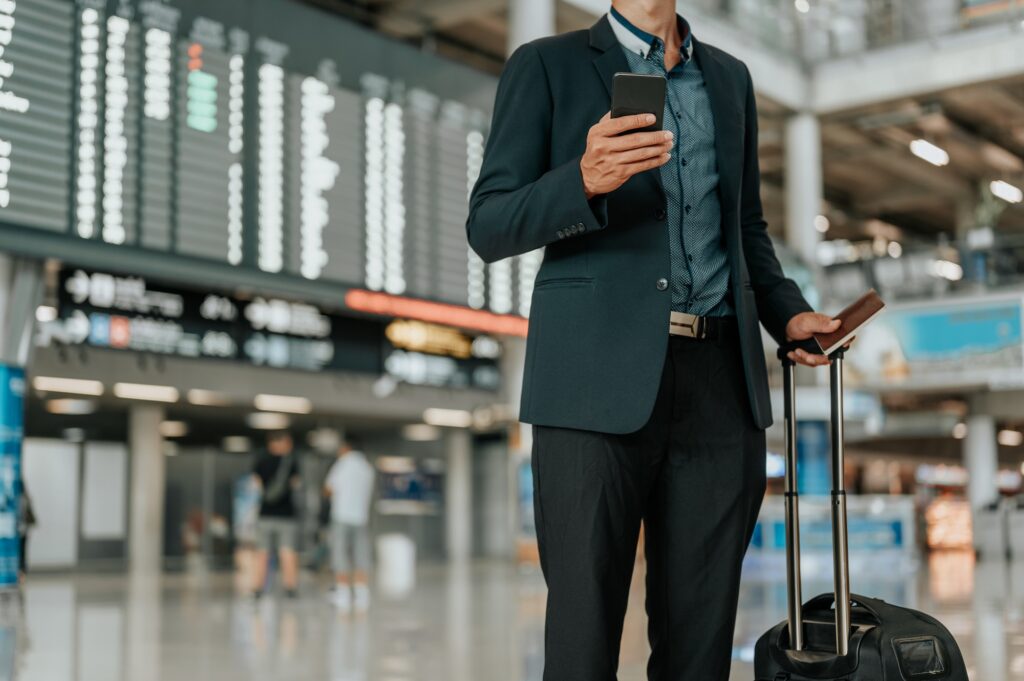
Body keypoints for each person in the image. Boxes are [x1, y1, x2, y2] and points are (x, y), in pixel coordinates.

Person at [466, 2, 842, 679]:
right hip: (590, 386)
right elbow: (489, 223)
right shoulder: (546, 66)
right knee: (583, 644)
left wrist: (787, 312)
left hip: (720, 388)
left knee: (699, 648)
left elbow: (745, 226)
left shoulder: (730, 79)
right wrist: (582, 179)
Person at [323, 437, 375, 612]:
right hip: (361, 517)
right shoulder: (367, 467)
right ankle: (362, 593)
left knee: (340, 553)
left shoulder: (342, 464)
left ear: (346, 448)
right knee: (361, 553)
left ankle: (343, 593)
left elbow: (329, 489)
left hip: (342, 515)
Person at [251, 431, 301, 599]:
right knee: (287, 552)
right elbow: (296, 485)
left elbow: (256, 486)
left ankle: (258, 588)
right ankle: (290, 588)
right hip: (286, 515)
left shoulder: (261, 462)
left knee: (262, 553)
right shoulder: (291, 463)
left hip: (265, 514)